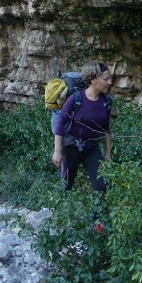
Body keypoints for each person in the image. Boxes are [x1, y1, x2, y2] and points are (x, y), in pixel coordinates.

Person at [52, 62, 113, 191]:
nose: (109, 82)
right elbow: (60, 125)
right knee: (65, 186)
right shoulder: (76, 98)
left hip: (91, 149)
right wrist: (57, 151)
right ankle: (61, 211)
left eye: (110, 78)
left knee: (101, 186)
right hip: (70, 149)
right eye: (105, 79)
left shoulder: (107, 101)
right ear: (93, 80)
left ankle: (98, 212)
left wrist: (108, 152)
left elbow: (105, 128)